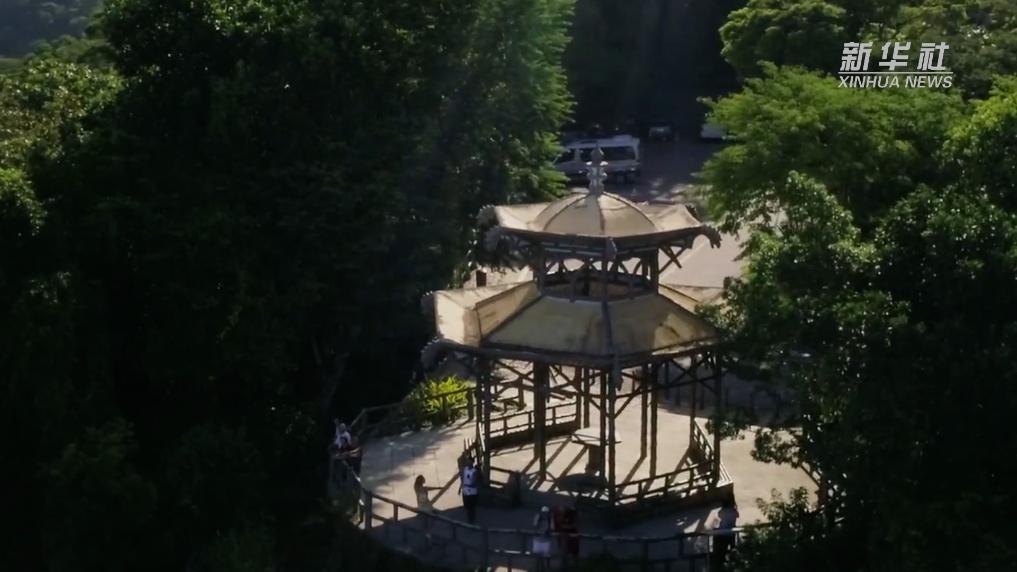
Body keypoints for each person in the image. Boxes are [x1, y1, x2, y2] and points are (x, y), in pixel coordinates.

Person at [712, 496, 739, 572]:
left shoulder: (722, 511)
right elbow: (737, 516)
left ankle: (718, 559)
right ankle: (733, 556)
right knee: (732, 544)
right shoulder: (734, 511)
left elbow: (719, 515)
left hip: (722, 533)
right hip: (731, 533)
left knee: (720, 546)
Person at [531, 505, 554, 570]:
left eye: (546, 512)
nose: (545, 514)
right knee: (537, 557)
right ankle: (538, 568)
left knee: (546, 557)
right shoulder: (538, 517)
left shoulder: (550, 518)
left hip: (546, 541)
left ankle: (546, 568)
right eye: (543, 512)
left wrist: (548, 530)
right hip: (538, 540)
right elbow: (534, 525)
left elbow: (552, 528)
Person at [460, 459, 481, 523]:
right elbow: (463, 478)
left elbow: (475, 480)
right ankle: (470, 518)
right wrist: (460, 488)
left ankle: (472, 519)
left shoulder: (474, 471)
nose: (468, 463)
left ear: (472, 463)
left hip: (472, 491)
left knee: (472, 506)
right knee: (467, 505)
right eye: (468, 462)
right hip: (466, 490)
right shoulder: (465, 469)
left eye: (470, 462)